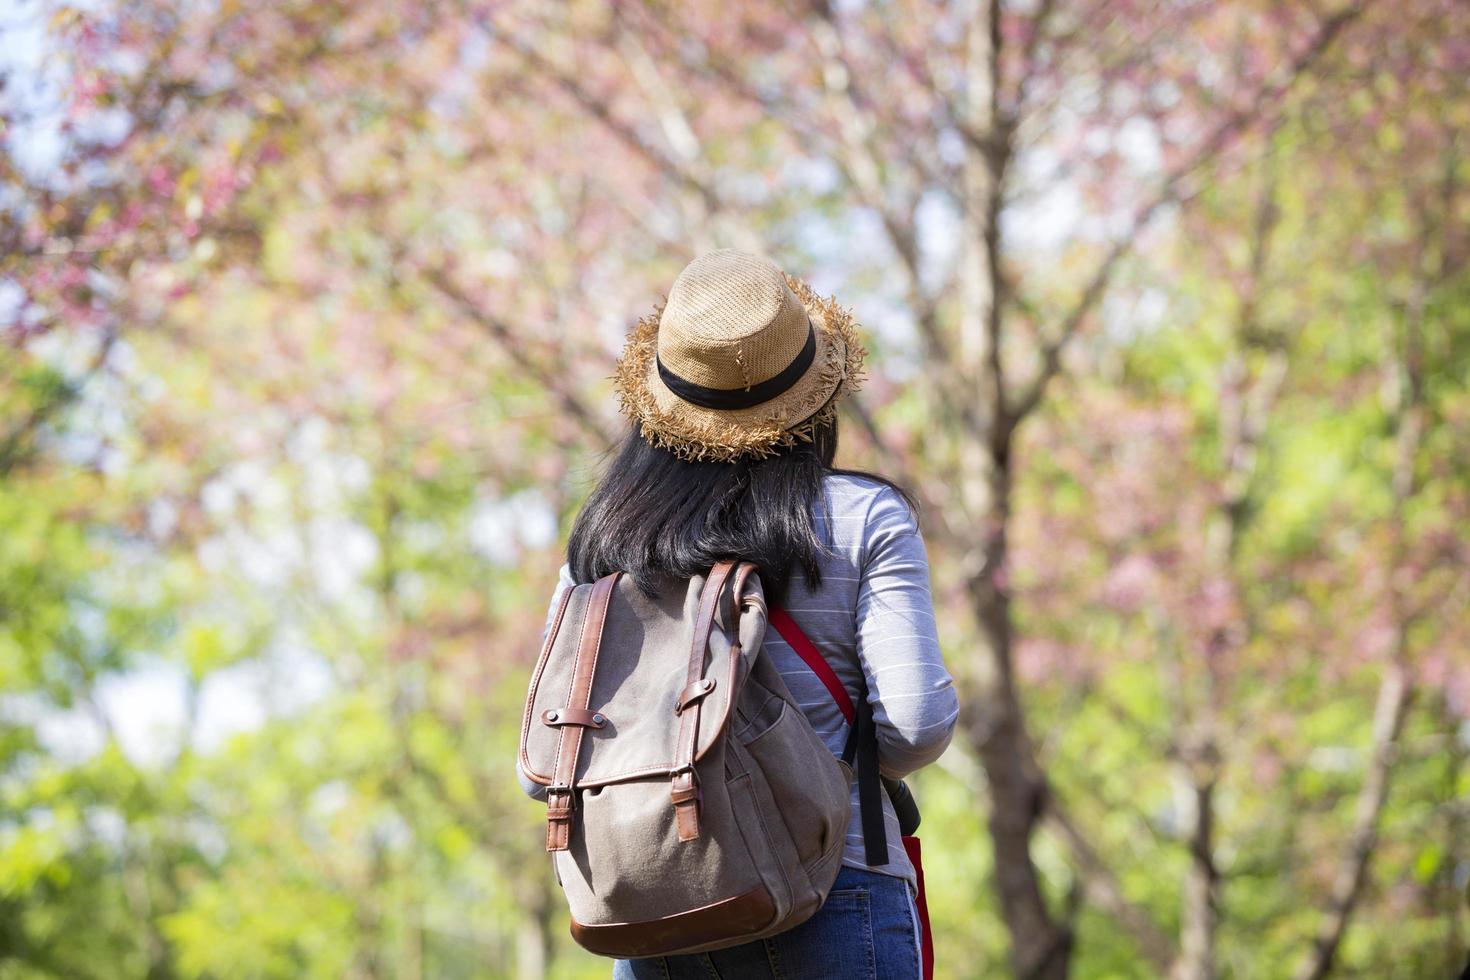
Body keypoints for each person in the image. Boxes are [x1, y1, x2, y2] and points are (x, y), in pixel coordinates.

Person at [522, 249, 959, 979]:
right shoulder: (861, 518)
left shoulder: (605, 539)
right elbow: (914, 724)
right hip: (835, 886)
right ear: (814, 395)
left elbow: (544, 770)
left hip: (656, 913)